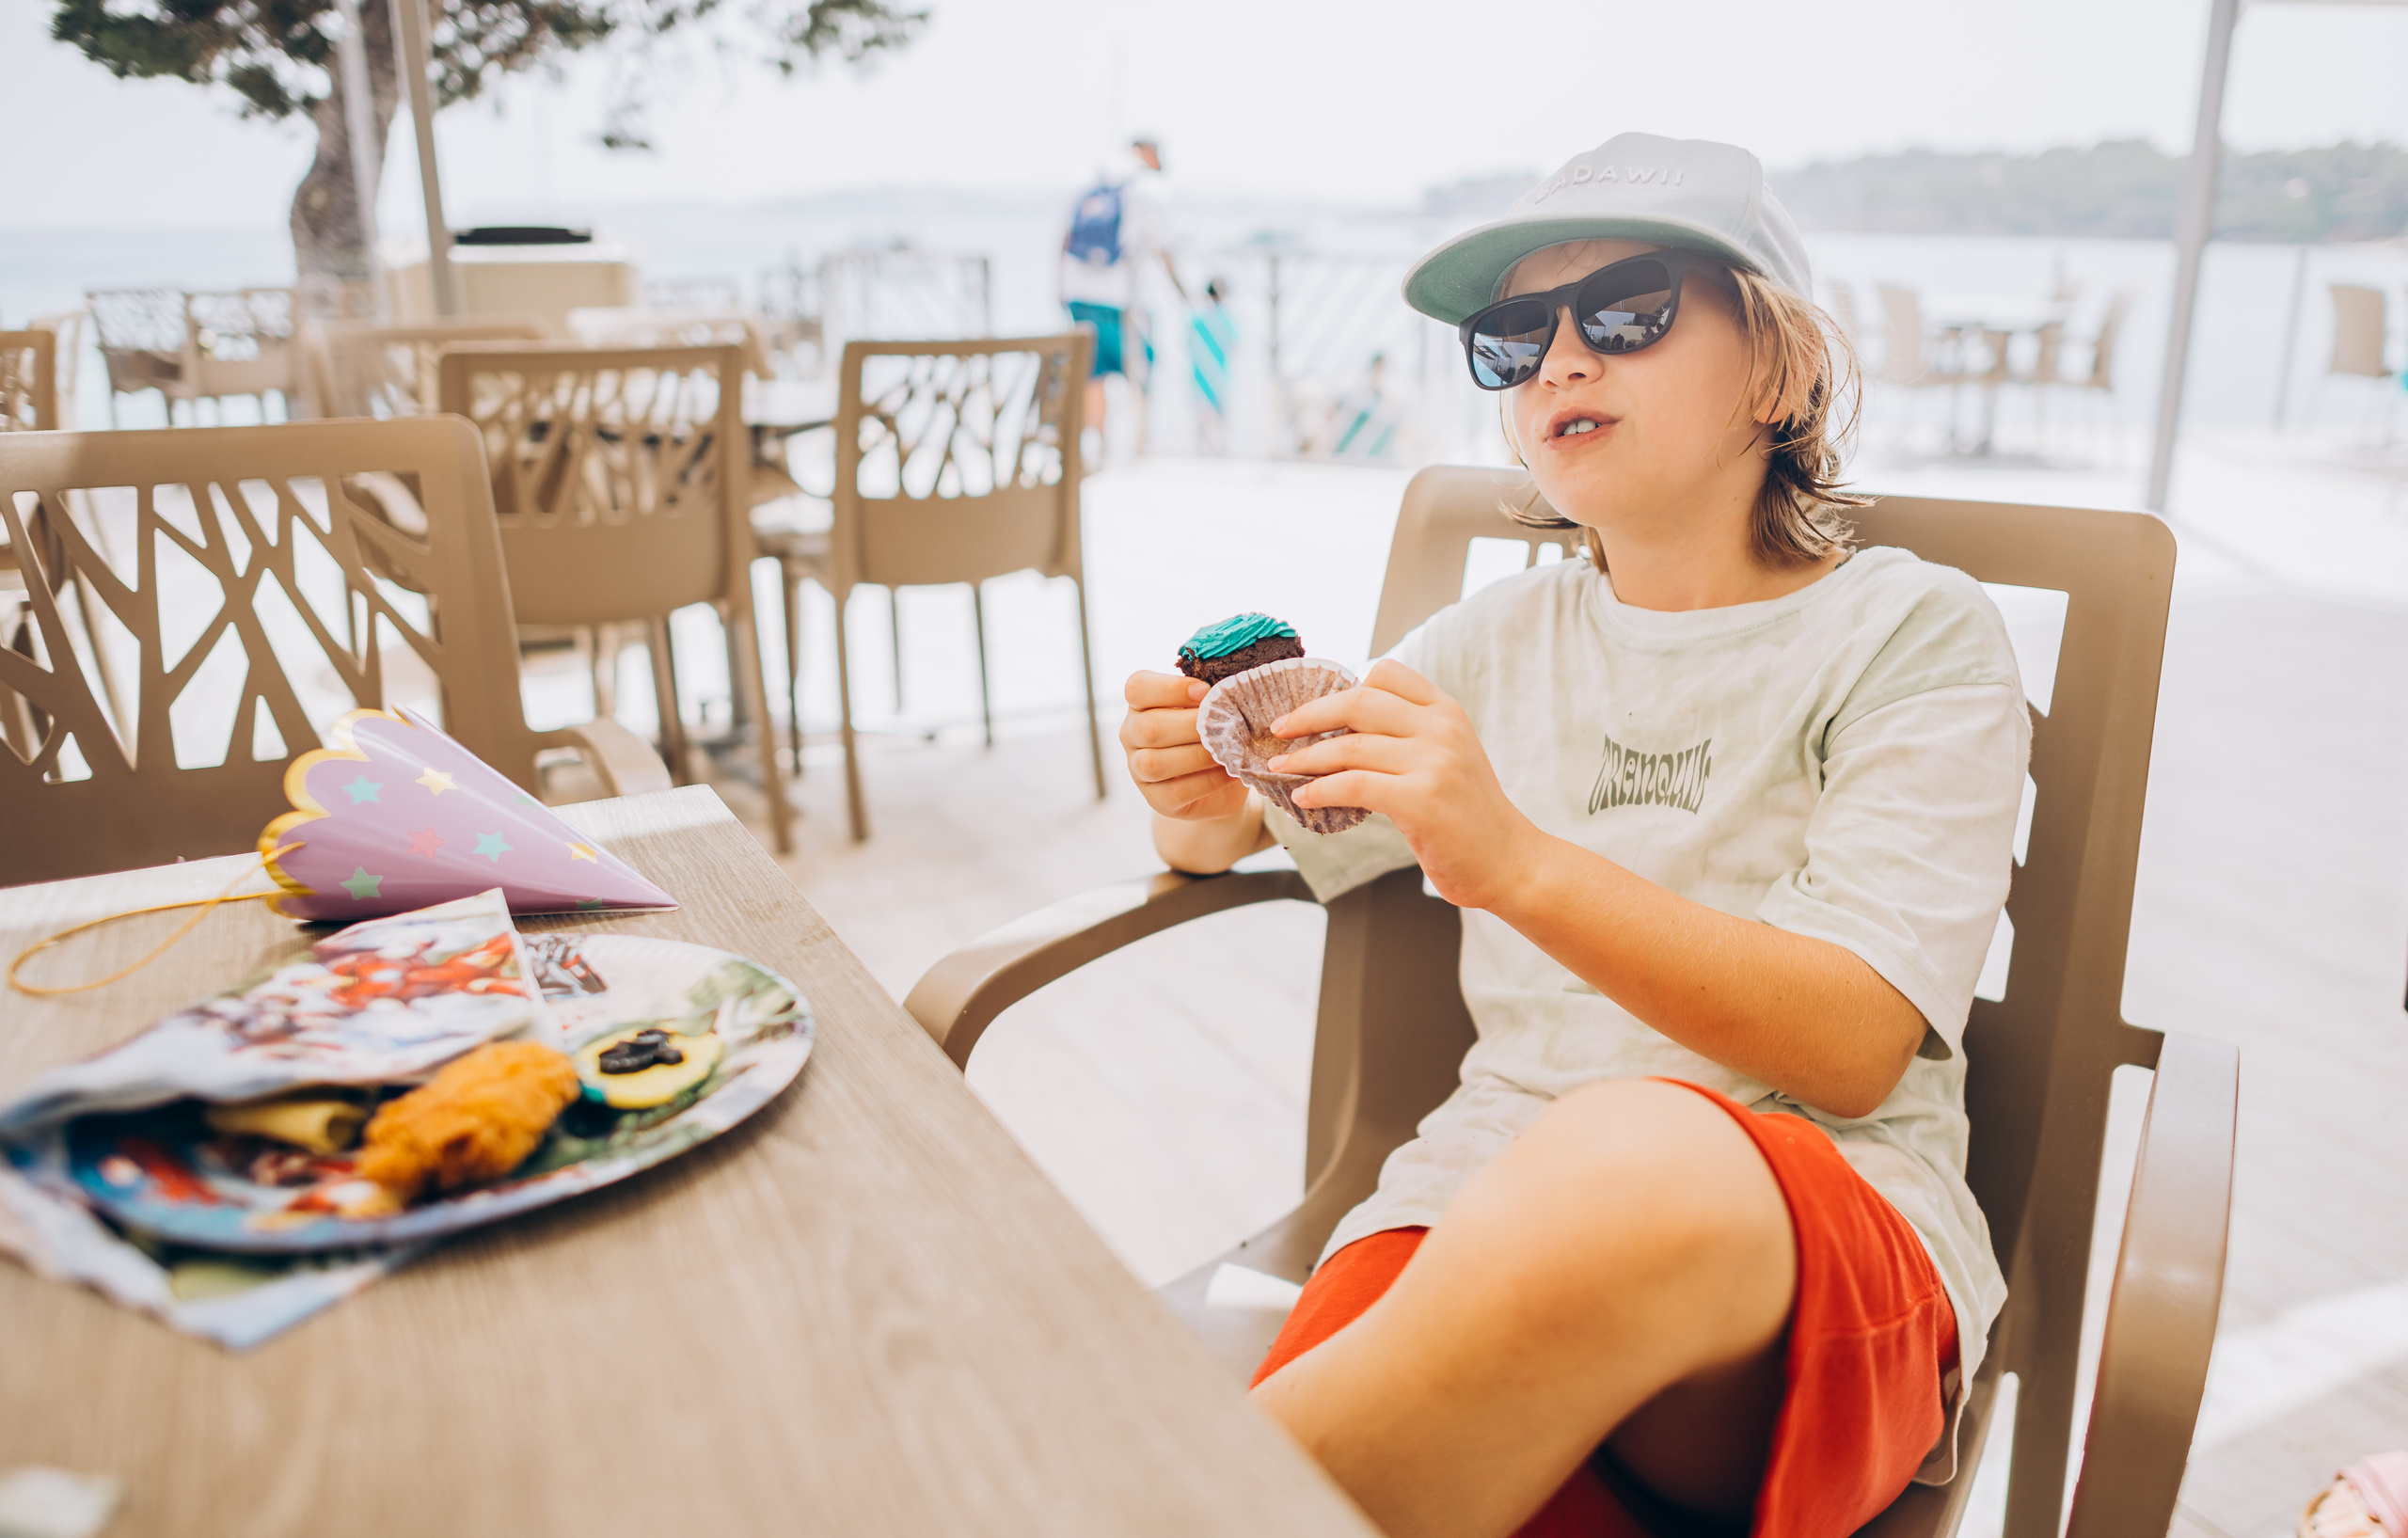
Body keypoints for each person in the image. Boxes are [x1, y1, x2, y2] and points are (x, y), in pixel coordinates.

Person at [1117, 132, 2025, 1538]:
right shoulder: (1487, 643)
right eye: (1511, 337)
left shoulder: (1907, 631)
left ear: (1779, 365)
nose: (1559, 360)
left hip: (1814, 1241)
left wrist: (1518, 863)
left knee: (1627, 1155)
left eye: (1627, 312)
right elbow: (1269, 832)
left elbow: (1853, 1045)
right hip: (1463, 1203)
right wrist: (1198, 807)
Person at [1060, 135, 1186, 460]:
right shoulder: (1148, 189)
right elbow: (1162, 247)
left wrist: (1059, 288)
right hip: (1124, 299)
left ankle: (1099, 447)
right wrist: (1181, 291)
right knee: (1140, 370)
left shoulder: (1087, 178)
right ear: (1150, 155)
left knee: (1092, 374)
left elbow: (1063, 238)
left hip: (1079, 292)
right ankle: (1139, 445)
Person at [1188, 276, 1237, 455]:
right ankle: (1221, 457)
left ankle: (1200, 458)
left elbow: (1188, 343)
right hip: (1220, 380)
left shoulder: (1196, 319)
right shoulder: (1227, 319)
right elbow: (1235, 346)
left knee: (1201, 429)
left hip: (1199, 380)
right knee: (1221, 429)